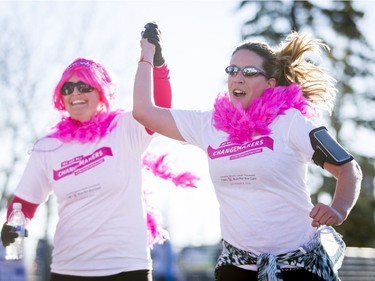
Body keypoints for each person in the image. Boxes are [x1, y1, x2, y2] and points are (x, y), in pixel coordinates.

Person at [133, 24, 363, 281]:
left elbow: (348, 168)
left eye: (249, 72)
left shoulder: (288, 122)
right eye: (232, 70)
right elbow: (144, 112)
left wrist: (339, 209)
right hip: (237, 266)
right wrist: (149, 57)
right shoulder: (208, 125)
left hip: (297, 265)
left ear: (270, 84)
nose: (238, 77)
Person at [1, 24, 172, 281]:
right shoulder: (48, 146)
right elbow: (23, 205)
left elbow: (159, 109)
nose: (75, 94)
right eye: (67, 89)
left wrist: (154, 63)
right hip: (69, 270)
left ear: (100, 91)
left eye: (83, 86)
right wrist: (13, 229)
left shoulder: (124, 128)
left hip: (127, 268)